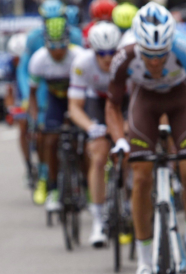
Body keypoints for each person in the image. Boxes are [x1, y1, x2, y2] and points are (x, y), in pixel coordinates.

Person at [106, 3, 186, 274]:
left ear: (171, 43)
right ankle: (144, 263)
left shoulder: (184, 48)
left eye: (161, 55)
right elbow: (113, 106)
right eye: (149, 55)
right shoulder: (125, 54)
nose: (154, 63)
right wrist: (119, 141)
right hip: (145, 103)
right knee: (140, 176)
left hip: (180, 100)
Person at [17, 0, 84, 205]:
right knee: (47, 135)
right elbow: (25, 71)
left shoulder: (76, 40)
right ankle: (47, 180)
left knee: (79, 138)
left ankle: (82, 181)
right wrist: (29, 102)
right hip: (48, 88)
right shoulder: (34, 41)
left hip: (73, 88)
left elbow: (83, 77)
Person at [68, 22, 121, 247]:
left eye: (112, 53)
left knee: (131, 149)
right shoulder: (82, 63)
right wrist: (91, 127)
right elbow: (74, 107)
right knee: (98, 155)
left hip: (123, 102)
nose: (108, 58)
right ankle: (98, 221)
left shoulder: (126, 62)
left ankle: (127, 202)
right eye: (102, 53)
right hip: (96, 102)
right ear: (93, 51)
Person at [5, 33, 34, 185]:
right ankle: (29, 165)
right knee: (22, 127)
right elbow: (9, 91)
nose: (19, 62)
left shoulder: (34, 61)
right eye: (16, 59)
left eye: (21, 58)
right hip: (22, 98)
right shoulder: (10, 66)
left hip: (35, 95)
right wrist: (10, 109)